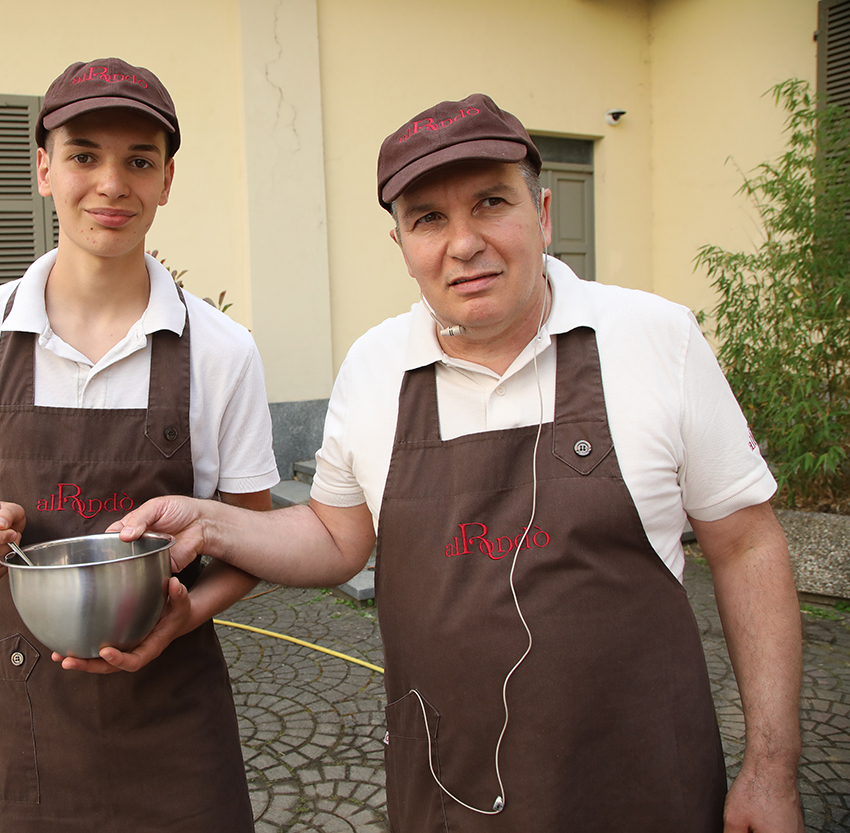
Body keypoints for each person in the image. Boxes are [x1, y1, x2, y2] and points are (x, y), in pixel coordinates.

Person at [113, 94, 804, 832]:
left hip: (645, 789)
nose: (464, 243)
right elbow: (337, 536)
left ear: (541, 215)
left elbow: (748, 545)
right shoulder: (376, 368)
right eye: (430, 219)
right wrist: (209, 523)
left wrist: (770, 768)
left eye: (490, 203)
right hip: (451, 797)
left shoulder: (654, 339)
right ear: (401, 242)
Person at [0, 57, 277, 831]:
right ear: (44, 168)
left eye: (138, 160)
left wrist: (187, 614)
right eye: (84, 155)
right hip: (24, 718)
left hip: (174, 716)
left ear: (167, 180)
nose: (112, 183)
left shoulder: (220, 351)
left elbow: (256, 533)